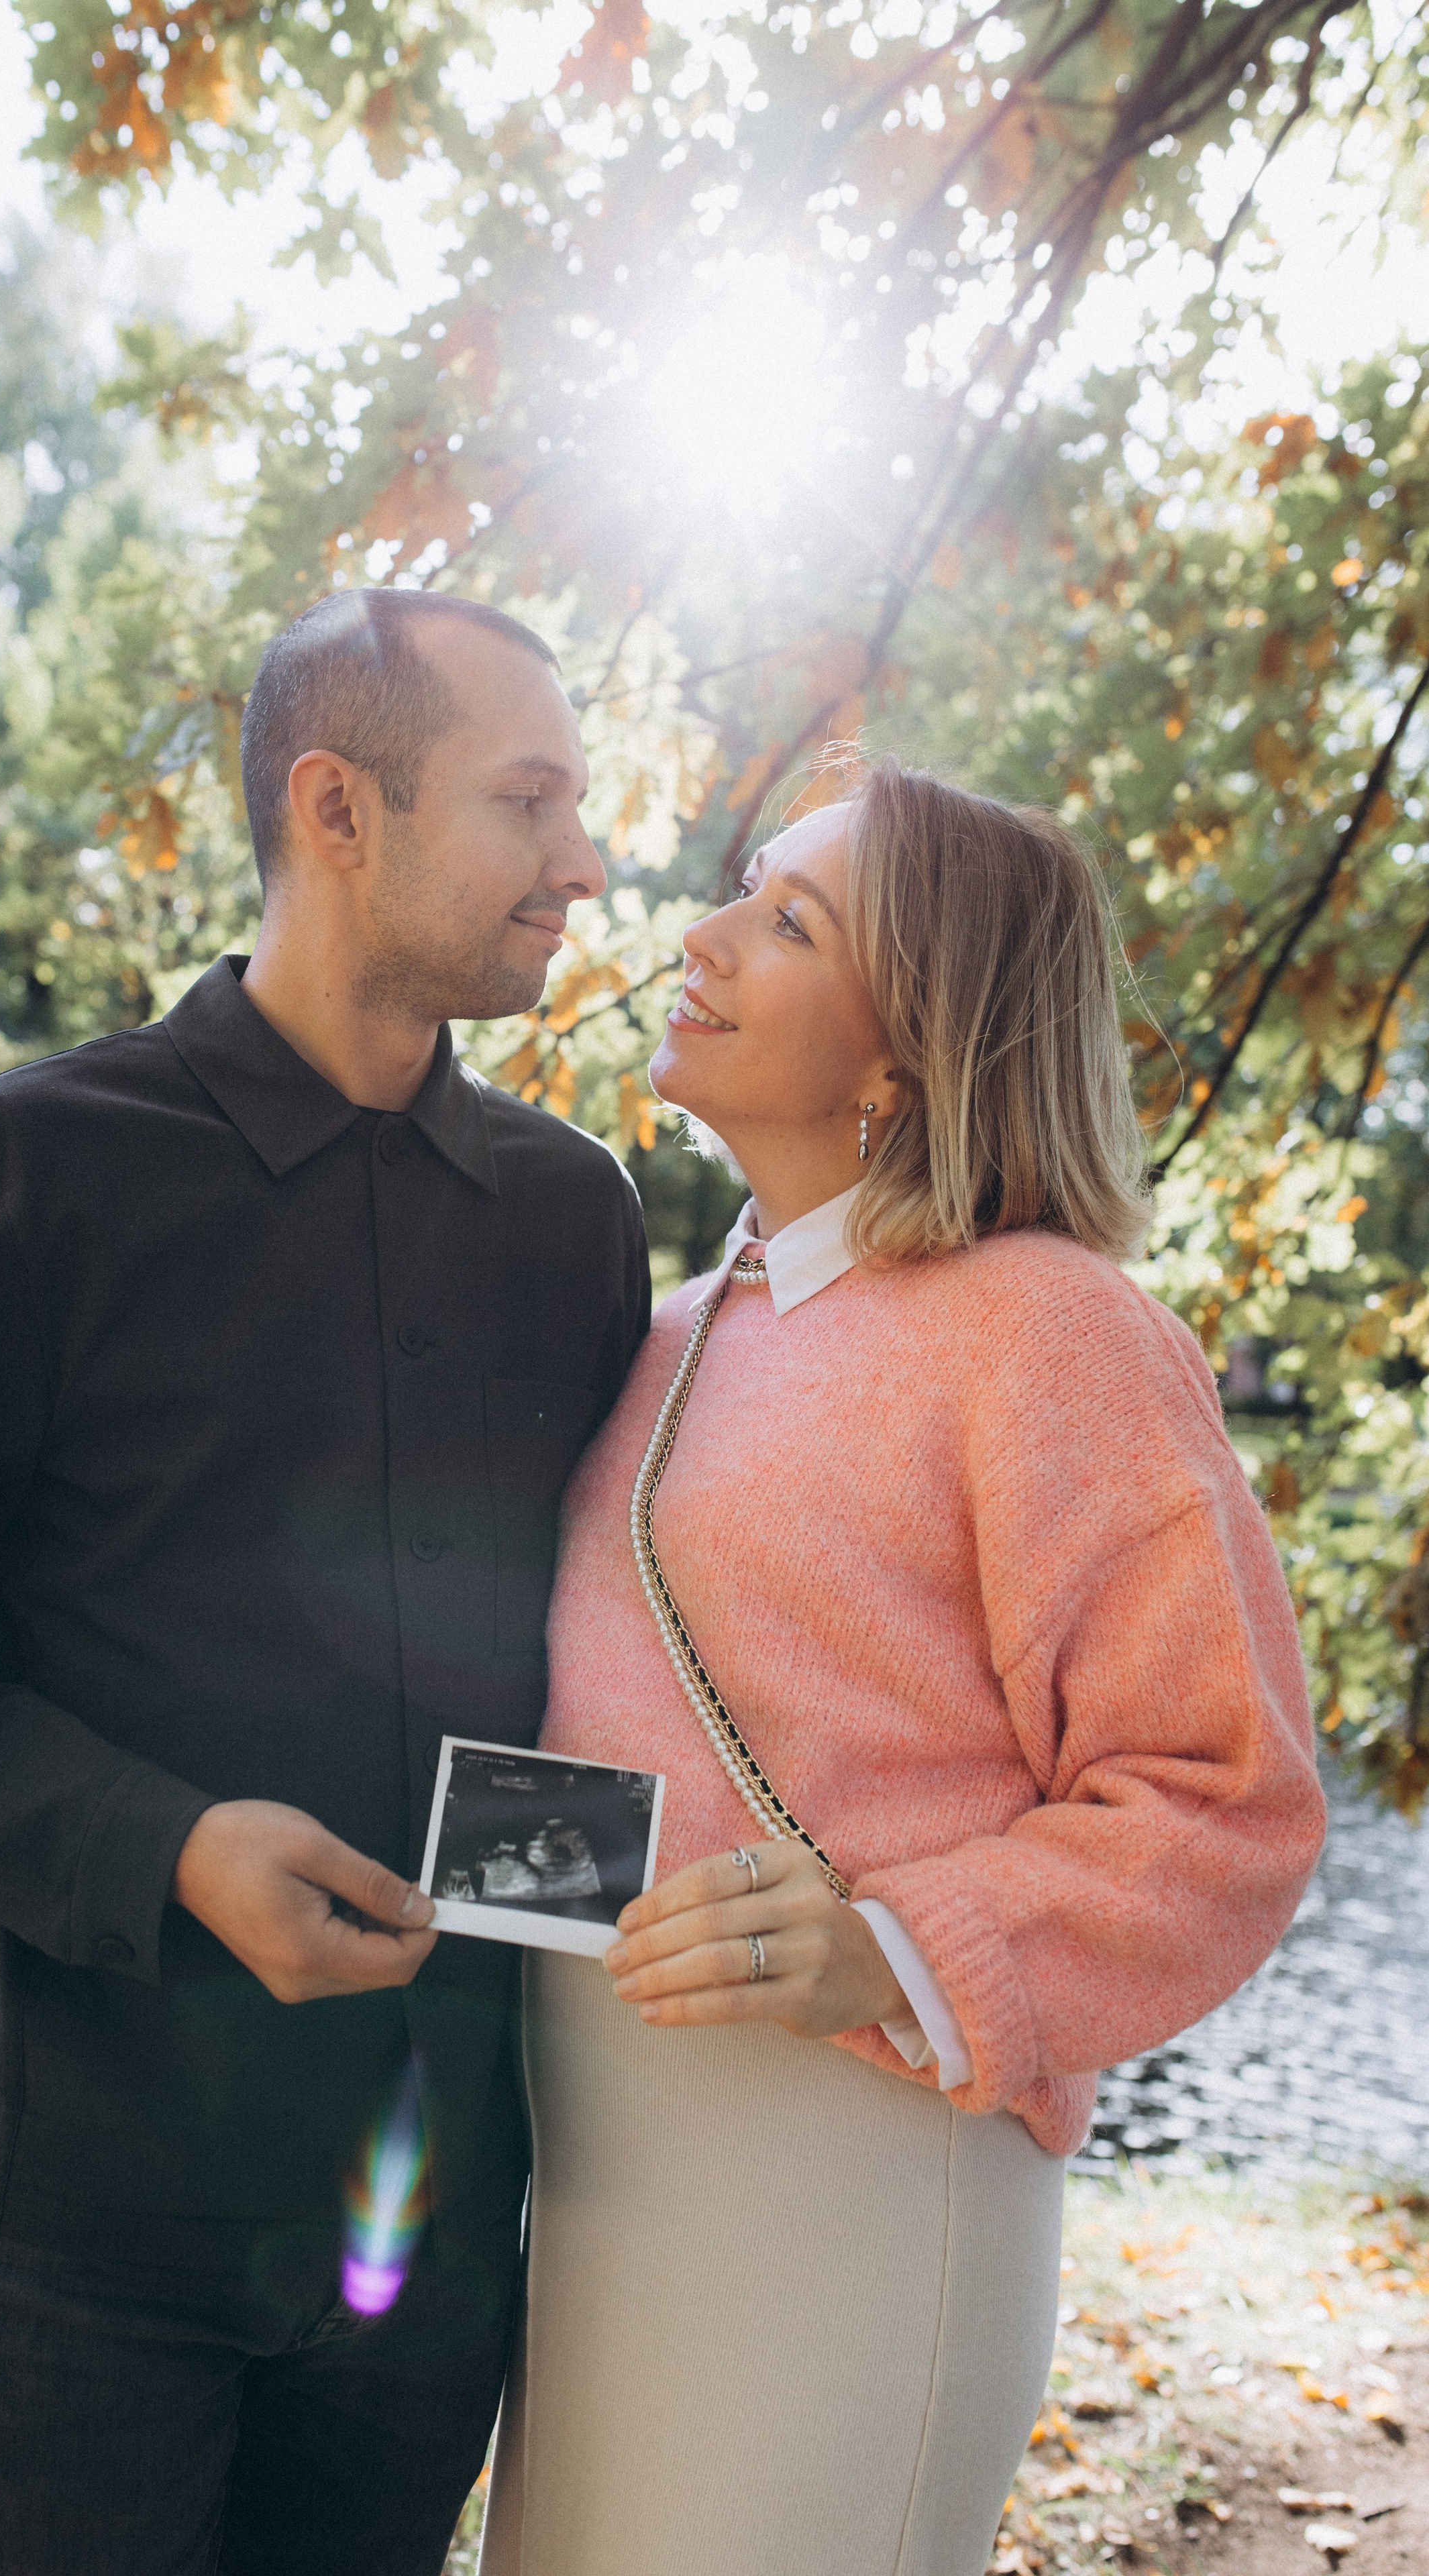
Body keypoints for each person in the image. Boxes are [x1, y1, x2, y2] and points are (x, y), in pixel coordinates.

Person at [0, 589, 650, 2576]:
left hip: (420, 2248)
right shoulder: (29, 1165)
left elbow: (583, 1684)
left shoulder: (574, 1220)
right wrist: (169, 1847)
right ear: (339, 809)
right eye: (527, 803)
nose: (583, 864)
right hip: (71, 2248)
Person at [479, 757, 1326, 2576]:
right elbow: (642, 1744)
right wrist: (431, 1863)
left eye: (789, 921)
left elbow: (1225, 1804)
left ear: (905, 1056)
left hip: (851, 2167)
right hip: (590, 2146)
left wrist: (897, 1944)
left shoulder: (1054, 1332)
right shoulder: (674, 1333)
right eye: (743, 887)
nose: (698, 936)